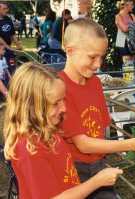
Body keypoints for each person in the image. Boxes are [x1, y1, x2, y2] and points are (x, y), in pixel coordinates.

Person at [60, 18, 135, 199]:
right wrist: (133, 143)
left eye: (102, 57)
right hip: (72, 168)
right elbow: (83, 144)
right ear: (70, 51)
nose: (98, 64)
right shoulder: (60, 89)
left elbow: (102, 129)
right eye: (92, 57)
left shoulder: (95, 83)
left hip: (98, 163)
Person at [3, 62, 123, 199]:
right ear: (30, 107)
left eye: (63, 100)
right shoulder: (30, 149)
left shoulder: (49, 129)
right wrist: (97, 182)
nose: (64, 108)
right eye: (55, 103)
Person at [115, 0, 135, 66]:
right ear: (126, 5)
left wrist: (129, 25)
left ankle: (133, 76)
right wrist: (132, 25)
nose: (133, 7)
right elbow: (124, 29)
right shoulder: (118, 16)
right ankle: (128, 76)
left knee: (133, 63)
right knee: (127, 63)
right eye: (132, 5)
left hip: (132, 39)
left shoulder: (132, 15)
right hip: (122, 39)